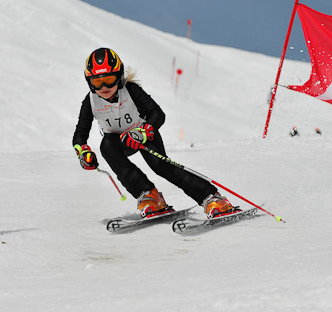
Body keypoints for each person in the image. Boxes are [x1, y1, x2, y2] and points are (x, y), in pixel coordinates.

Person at [72, 47, 235, 218]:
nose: (104, 87)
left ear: (119, 77)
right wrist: (83, 153)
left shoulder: (130, 90)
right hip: (119, 143)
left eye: (109, 80)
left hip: (144, 136)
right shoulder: (90, 101)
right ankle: (149, 196)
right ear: (89, 82)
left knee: (162, 167)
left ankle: (211, 198)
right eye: (97, 82)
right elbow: (80, 134)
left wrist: (142, 132)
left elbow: (157, 114)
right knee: (107, 146)